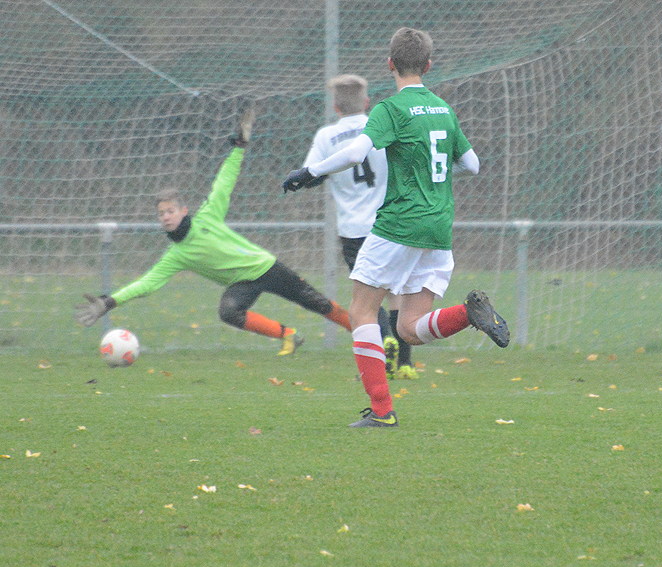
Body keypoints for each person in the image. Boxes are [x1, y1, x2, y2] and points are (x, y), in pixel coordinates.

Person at [284, 27, 509, 427]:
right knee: (408, 329)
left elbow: (355, 153)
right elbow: (472, 164)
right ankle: (468, 314)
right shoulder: (442, 109)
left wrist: (309, 172)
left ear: (389, 64)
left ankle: (382, 411)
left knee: (362, 311)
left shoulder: (390, 109)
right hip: (438, 229)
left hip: (399, 225)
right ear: (428, 65)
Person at [75, 109, 352, 354]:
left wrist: (239, 148)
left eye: (170, 211)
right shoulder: (177, 255)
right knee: (229, 312)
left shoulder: (207, 216)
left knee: (318, 304)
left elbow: (224, 181)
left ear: (184, 210)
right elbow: (147, 284)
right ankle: (288, 335)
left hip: (266, 268)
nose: (166, 217)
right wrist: (110, 302)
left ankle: (365, 333)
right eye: (161, 214)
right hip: (242, 282)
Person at [300, 73, 419, 379]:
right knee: (396, 291)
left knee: (365, 300)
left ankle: (384, 343)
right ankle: (404, 364)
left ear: (336, 107)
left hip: (354, 229)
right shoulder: (383, 126)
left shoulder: (326, 136)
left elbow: (310, 173)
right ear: (366, 102)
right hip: (390, 223)